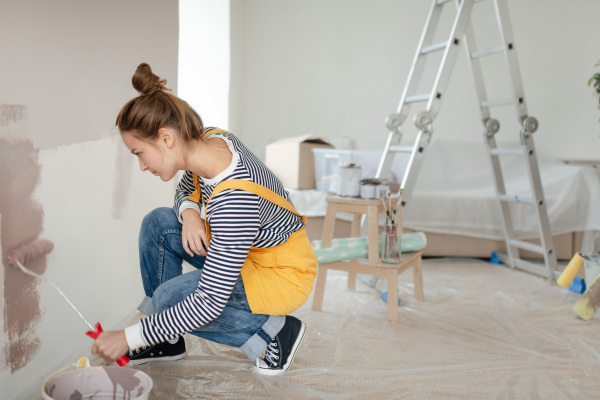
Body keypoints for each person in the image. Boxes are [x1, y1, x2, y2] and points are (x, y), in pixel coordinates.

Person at [90, 63, 318, 375]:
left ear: (166, 138)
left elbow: (209, 300)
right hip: (245, 249)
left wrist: (128, 337)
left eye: (139, 153)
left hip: (280, 272)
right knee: (159, 223)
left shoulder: (234, 201)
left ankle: (274, 332)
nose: (142, 165)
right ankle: (167, 339)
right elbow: (188, 184)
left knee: (168, 299)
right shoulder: (210, 140)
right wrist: (190, 213)